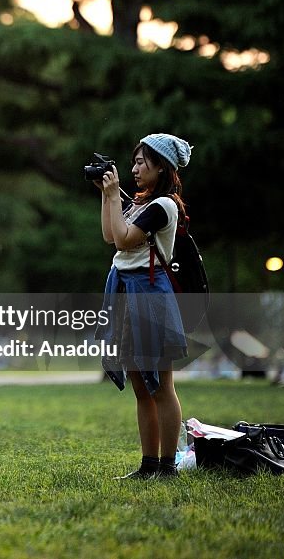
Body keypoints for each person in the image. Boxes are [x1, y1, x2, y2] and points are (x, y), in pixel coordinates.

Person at [94, 133, 191, 480]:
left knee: (161, 386)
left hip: (150, 296)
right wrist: (108, 195)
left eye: (141, 161)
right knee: (140, 386)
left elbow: (123, 238)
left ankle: (168, 466)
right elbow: (110, 236)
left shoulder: (163, 206)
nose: (134, 168)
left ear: (161, 166)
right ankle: (148, 464)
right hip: (125, 291)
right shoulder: (138, 204)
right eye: (134, 161)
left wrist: (113, 196)